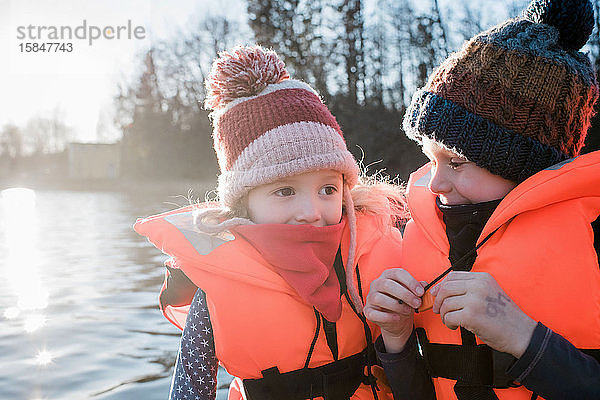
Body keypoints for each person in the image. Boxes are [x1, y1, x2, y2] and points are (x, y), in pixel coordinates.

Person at [134, 45, 407, 400]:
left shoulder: (385, 249)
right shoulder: (216, 285)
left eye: (327, 188)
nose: (311, 211)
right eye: (285, 191)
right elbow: (189, 388)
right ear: (244, 203)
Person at [363, 0, 600, 399]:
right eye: (430, 157)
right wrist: (397, 340)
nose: (434, 183)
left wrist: (522, 337)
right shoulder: (421, 234)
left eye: (456, 162)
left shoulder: (591, 238)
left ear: (521, 165)